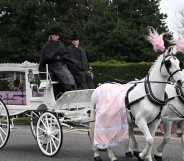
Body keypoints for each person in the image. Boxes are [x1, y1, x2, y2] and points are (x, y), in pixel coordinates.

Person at [39, 26, 76, 98]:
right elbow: (46, 58)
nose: (56, 37)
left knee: (72, 70)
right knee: (63, 72)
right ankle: (68, 87)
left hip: (60, 63)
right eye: (55, 35)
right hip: (51, 65)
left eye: (57, 35)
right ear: (52, 36)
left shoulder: (60, 44)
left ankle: (72, 87)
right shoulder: (47, 45)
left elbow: (65, 54)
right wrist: (56, 55)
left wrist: (62, 58)